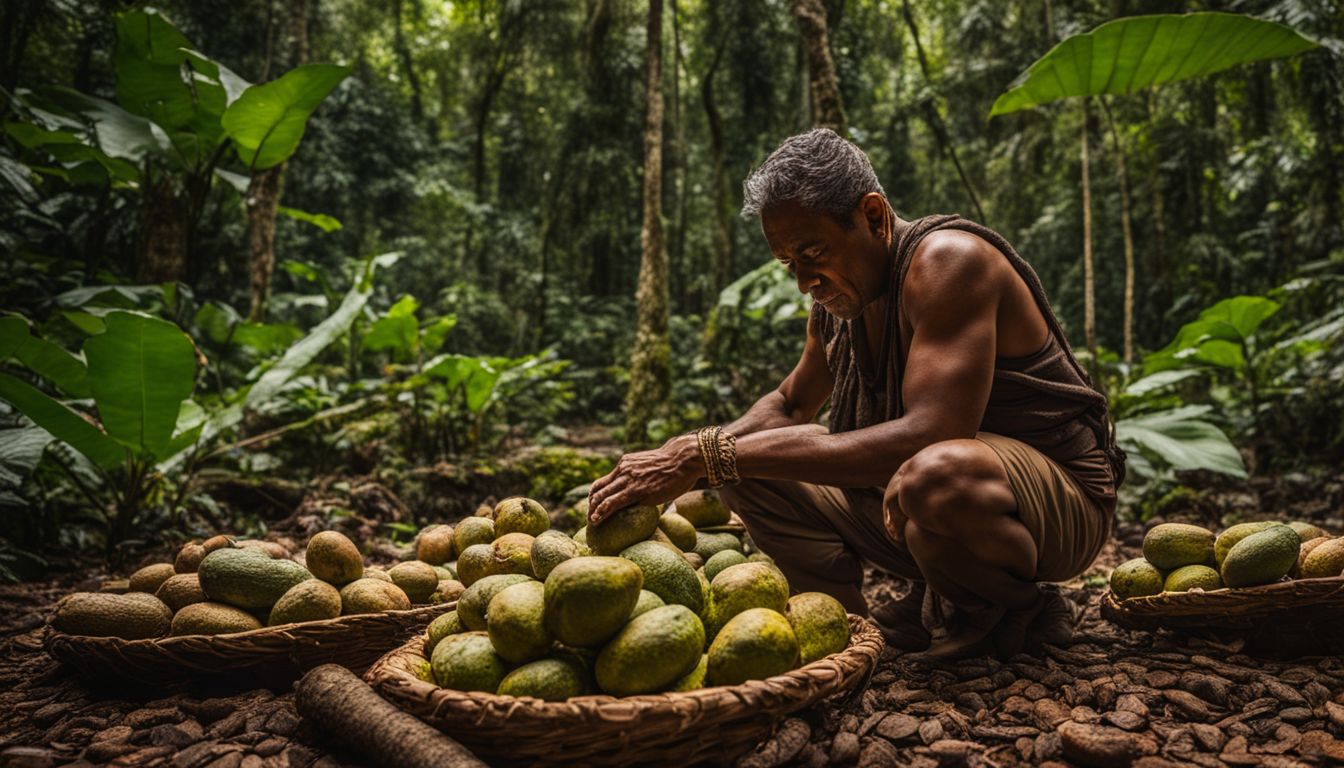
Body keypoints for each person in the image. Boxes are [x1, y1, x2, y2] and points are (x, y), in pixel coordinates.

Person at [587, 128, 1124, 659]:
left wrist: (709, 455)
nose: (804, 281)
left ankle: (1020, 604)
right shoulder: (837, 303)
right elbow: (791, 404)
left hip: (1054, 503)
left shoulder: (948, 262)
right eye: (789, 263)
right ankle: (848, 628)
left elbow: (934, 433)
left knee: (932, 471)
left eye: (813, 251)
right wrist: (686, 454)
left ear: (872, 216)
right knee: (748, 477)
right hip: (914, 501)